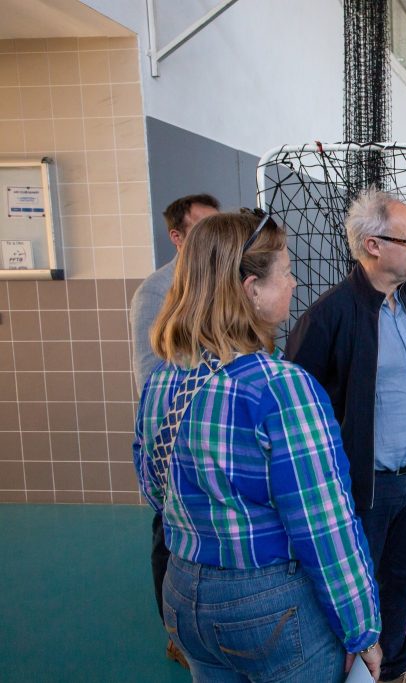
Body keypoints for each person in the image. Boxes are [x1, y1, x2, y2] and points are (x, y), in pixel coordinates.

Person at [133, 210, 383, 680]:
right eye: (286, 273)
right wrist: (363, 632)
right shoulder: (282, 388)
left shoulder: (164, 380)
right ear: (250, 289)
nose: (293, 285)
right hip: (267, 611)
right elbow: (325, 528)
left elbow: (154, 490)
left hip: (185, 596)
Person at [286, 188, 406, 683]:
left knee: (399, 581)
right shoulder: (328, 317)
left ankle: (391, 669)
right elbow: (299, 410)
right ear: (374, 245)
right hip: (363, 487)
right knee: (354, 592)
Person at [128, 193, 219, 668]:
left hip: (219, 440)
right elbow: (151, 378)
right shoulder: (156, 292)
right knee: (170, 532)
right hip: (176, 442)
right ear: (177, 237)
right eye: (203, 228)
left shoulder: (220, 282)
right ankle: (175, 632)